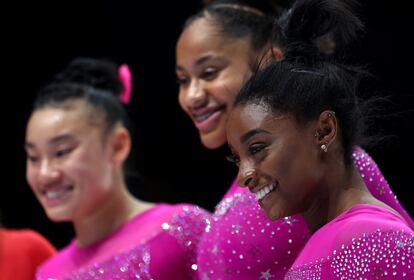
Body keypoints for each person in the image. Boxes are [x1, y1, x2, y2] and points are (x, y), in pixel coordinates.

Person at [175, 0, 414, 278]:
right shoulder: (269, 187)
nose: (192, 95)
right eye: (182, 80)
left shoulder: (331, 166)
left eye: (209, 73)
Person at [226, 51, 414, 278]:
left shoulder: (376, 239)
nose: (242, 176)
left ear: (324, 130)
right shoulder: (341, 239)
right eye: (237, 158)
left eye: (256, 149)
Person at [25, 57, 210, 279]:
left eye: (62, 152)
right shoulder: (48, 274)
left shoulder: (181, 229)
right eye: (33, 157)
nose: (46, 173)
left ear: (117, 146)